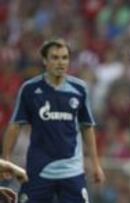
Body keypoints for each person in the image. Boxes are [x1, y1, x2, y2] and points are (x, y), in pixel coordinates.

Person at [2, 38, 105, 203]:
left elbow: (87, 127)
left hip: (72, 171)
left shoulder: (79, 89)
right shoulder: (30, 89)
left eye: (64, 58)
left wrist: (95, 164)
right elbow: (15, 125)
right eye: (55, 57)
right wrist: (6, 160)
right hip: (38, 170)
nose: (60, 62)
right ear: (45, 60)